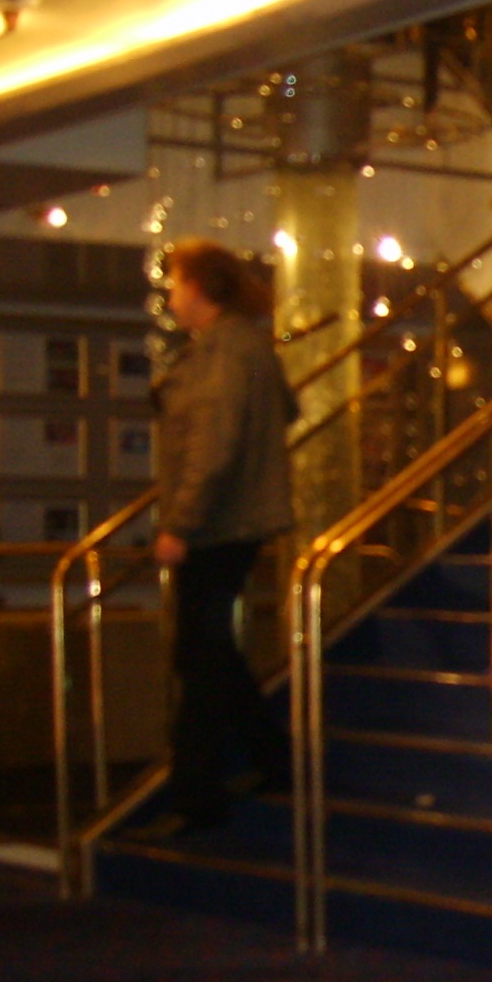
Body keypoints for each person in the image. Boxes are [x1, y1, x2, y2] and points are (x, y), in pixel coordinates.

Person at [135, 239, 297, 837]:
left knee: (200, 658)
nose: (171, 297)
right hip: (231, 520)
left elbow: (214, 444)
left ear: (201, 288)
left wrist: (180, 522)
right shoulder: (238, 346)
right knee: (208, 652)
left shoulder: (226, 351)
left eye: (176, 284)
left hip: (219, 524)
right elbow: (280, 412)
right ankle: (271, 758)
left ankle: (198, 795)